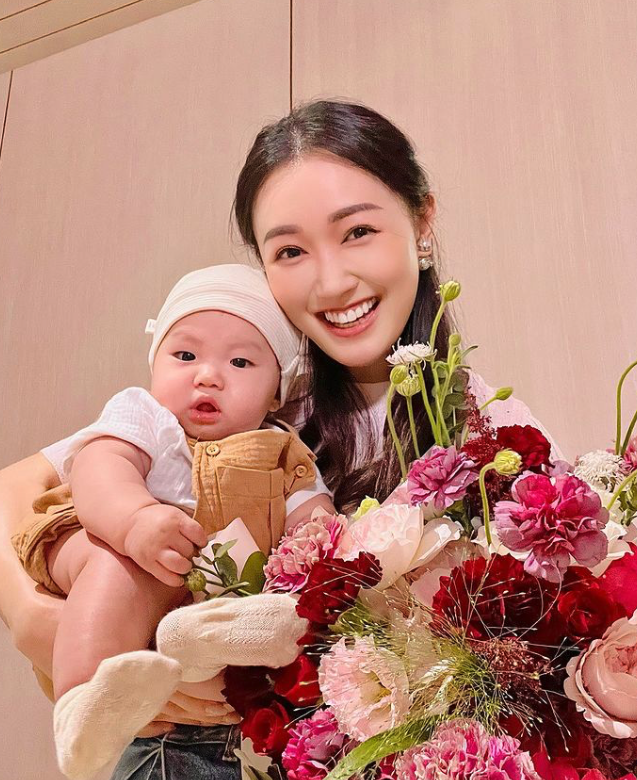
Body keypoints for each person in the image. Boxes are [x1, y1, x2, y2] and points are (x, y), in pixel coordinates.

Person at [0, 100, 561, 780]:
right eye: (290, 251)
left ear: (420, 222)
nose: (331, 281)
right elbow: (17, 488)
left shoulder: (490, 431)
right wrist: (39, 622)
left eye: (357, 231)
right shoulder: (246, 392)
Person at [10, 263, 333, 779]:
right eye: (185, 356)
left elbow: (315, 523)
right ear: (155, 363)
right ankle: (84, 706)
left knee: (268, 607)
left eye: (241, 362)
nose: (208, 375)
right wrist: (135, 520)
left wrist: (318, 550)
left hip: (199, 591)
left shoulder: (281, 450)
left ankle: (197, 640)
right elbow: (100, 469)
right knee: (120, 571)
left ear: (277, 392)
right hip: (103, 543)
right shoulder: (146, 418)